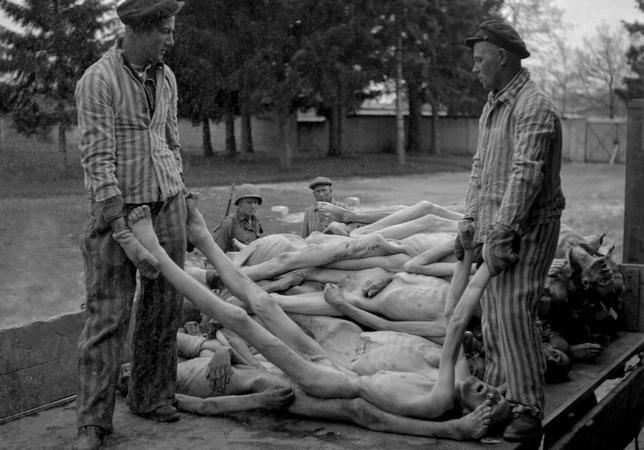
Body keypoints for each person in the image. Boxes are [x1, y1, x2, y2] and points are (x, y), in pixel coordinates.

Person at [124, 200, 513, 440]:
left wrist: (454, 433)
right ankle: (204, 240)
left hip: (328, 381)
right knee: (262, 303)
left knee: (238, 316)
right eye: (497, 395)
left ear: (472, 415)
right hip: (334, 362)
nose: (491, 394)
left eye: (491, 406)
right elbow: (456, 315)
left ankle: (156, 249)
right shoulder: (455, 372)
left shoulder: (439, 402)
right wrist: (472, 261)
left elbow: (373, 418)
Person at [73, 0, 187, 448]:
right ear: (138, 30)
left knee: (164, 309)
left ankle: (152, 396)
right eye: (166, 32)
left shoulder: (167, 76)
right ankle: (93, 422)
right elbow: (98, 162)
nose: (171, 41)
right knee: (109, 316)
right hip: (118, 213)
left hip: (167, 204)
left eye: (173, 32)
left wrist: (181, 190)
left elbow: (171, 140)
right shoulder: (98, 80)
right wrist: (120, 227)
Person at [460, 18, 566, 442]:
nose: (474, 68)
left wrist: (503, 231)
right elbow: (481, 169)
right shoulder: (494, 104)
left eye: (479, 59)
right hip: (497, 224)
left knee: (513, 309)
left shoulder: (533, 106)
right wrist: (470, 220)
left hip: (529, 225)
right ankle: (503, 397)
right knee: (492, 315)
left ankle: (527, 407)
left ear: (501, 57)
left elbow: (526, 175)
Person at [213, 183, 264, 252]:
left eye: (255, 202)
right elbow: (215, 252)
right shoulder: (229, 223)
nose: (253, 206)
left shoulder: (256, 223)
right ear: (239, 203)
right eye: (249, 202)